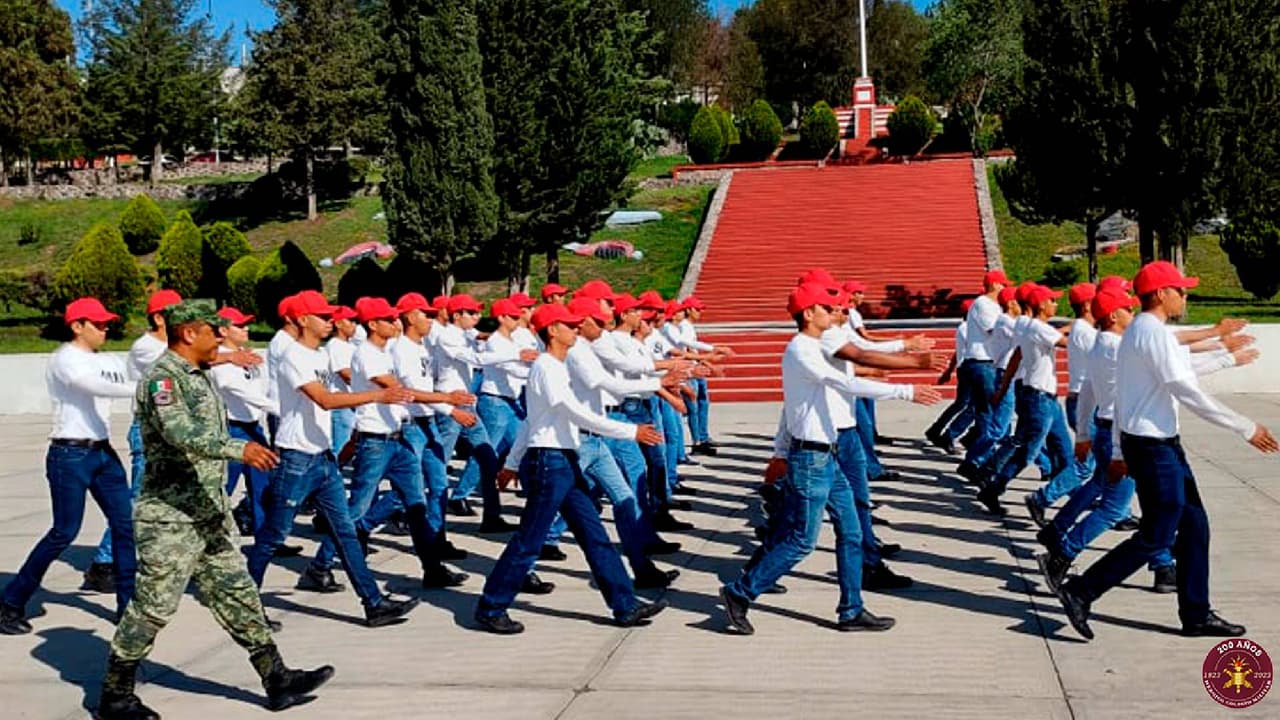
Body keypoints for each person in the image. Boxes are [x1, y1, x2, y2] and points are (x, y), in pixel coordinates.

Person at [94, 299, 333, 719]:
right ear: (189, 333)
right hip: (170, 518)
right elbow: (179, 432)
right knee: (153, 607)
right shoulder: (164, 379)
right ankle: (115, 694)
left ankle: (277, 678)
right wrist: (238, 448)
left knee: (238, 593)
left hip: (207, 511)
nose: (221, 337)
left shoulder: (200, 373)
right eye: (214, 330)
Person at [1054, 262, 1279, 641]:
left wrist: (1120, 451)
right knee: (1157, 533)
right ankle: (1081, 590)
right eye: (1181, 290)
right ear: (1161, 294)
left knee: (1194, 526)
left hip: (1157, 445)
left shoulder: (1141, 332)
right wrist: (1245, 426)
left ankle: (1196, 613)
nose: (1185, 296)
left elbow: (1132, 393)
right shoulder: (1149, 332)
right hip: (1153, 447)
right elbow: (1184, 388)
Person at [719, 283, 934, 635]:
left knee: (851, 532)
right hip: (810, 459)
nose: (836, 313)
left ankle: (851, 610)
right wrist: (905, 389)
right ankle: (740, 593)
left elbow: (855, 361)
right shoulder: (801, 349)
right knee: (801, 540)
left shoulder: (818, 345)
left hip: (828, 456)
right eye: (827, 308)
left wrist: (900, 355)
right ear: (808, 314)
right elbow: (843, 382)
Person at [473, 303, 668, 634]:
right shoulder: (547, 367)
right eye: (569, 325)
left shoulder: (556, 367)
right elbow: (572, 412)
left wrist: (511, 463)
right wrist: (628, 431)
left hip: (563, 459)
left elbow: (531, 422)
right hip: (549, 462)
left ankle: (625, 605)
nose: (577, 329)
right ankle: (491, 606)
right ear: (552, 330)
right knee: (530, 539)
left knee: (594, 534)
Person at [246, 291, 420, 628]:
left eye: (331, 316)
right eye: (323, 316)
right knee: (273, 535)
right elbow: (324, 400)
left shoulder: (321, 354)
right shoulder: (293, 356)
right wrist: (378, 395)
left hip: (322, 458)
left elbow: (335, 397)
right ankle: (247, 608)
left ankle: (374, 603)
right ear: (302, 320)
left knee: (346, 532)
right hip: (296, 458)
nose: (331, 321)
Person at [309, 295, 472, 590]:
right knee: (357, 509)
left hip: (398, 438)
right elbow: (402, 391)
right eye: (387, 319)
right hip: (375, 442)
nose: (394, 322)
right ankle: (319, 566)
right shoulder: (367, 354)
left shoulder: (386, 352)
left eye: (394, 317)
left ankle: (433, 569)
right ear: (372, 324)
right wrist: (447, 399)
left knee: (416, 505)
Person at [1, 298, 137, 635]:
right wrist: (144, 388)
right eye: (98, 324)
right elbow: (94, 386)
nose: (105, 329)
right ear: (77, 326)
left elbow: (138, 378)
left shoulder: (109, 359)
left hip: (103, 453)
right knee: (64, 531)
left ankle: (128, 608)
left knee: (125, 525)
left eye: (107, 323)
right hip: (70, 454)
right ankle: (10, 602)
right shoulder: (65, 359)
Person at [1035, 288, 1179, 593]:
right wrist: (1219, 344)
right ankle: (1062, 553)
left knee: (1137, 498)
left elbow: (1087, 389)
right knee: (1115, 507)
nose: (1134, 313)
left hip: (1108, 428)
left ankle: (1163, 564)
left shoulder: (1102, 343)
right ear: (1113, 315)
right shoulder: (1116, 346)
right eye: (1128, 307)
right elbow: (1171, 352)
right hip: (1123, 434)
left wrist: (1084, 434)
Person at [82, 289, 180, 592]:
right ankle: (104, 563)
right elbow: (173, 367)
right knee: (138, 500)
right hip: (150, 430)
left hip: (172, 430)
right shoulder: (146, 348)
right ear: (159, 318)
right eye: (176, 313)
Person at [974, 285, 1073, 517]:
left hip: (1042, 397)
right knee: (1028, 452)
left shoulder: (1026, 325)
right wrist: (1079, 327)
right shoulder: (1037, 327)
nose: (1055, 304)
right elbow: (1069, 343)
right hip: (1040, 397)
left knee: (1063, 450)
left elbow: (1017, 356)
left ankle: (1075, 495)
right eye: (1052, 300)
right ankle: (993, 487)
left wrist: (1003, 388)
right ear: (1041, 305)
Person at [209, 306, 288, 546]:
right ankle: (207, 542)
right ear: (223, 330)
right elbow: (240, 391)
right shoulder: (219, 359)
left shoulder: (245, 356)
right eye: (240, 325)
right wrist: (279, 410)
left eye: (246, 324)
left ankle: (267, 542)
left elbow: (261, 387)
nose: (246, 329)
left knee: (262, 487)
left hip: (253, 428)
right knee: (223, 488)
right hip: (231, 430)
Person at [434, 294, 512, 532]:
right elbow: (476, 358)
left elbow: (480, 337)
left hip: (467, 404)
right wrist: (516, 354)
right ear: (457, 315)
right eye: (472, 312)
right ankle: (405, 510)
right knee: (437, 466)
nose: (477, 316)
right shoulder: (447, 336)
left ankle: (492, 517)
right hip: (450, 405)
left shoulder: (466, 333)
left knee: (488, 459)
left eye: (478, 312)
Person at [955, 270, 1012, 475]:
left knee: (987, 414)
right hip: (983, 362)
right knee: (989, 414)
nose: (1004, 289)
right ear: (994, 284)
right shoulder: (983, 304)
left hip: (988, 363)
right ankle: (978, 460)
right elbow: (993, 331)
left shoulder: (992, 306)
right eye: (1003, 285)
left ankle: (979, 457)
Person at [925, 299, 976, 454]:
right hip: (969, 369)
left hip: (965, 367)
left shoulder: (966, 327)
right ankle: (947, 433)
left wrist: (949, 371)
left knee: (961, 404)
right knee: (970, 404)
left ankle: (936, 429)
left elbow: (957, 352)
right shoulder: (968, 328)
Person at [325, 305, 360, 459]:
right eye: (350, 320)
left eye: (355, 321)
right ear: (338, 323)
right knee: (340, 448)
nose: (354, 325)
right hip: (342, 404)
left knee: (349, 449)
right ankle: (332, 472)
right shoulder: (335, 345)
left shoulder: (350, 346)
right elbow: (346, 374)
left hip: (352, 402)